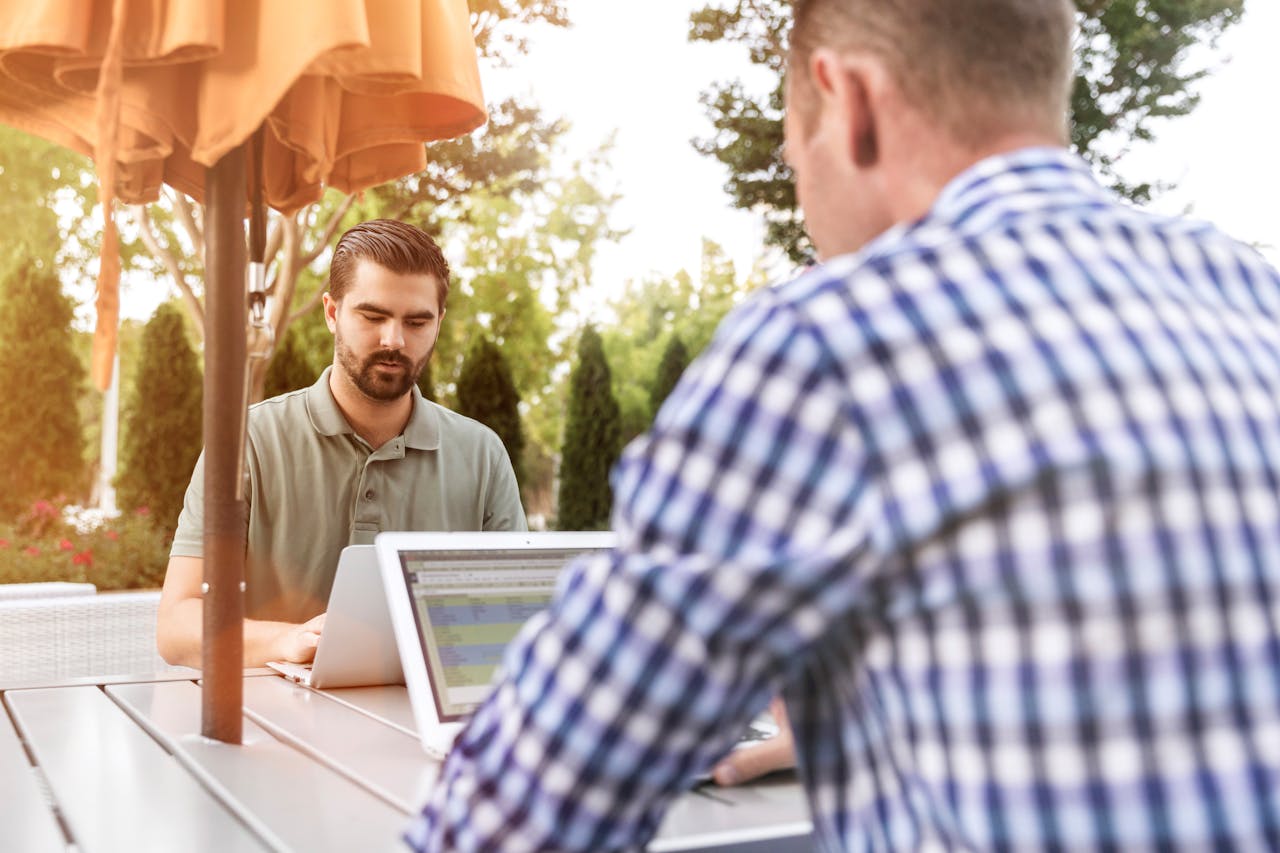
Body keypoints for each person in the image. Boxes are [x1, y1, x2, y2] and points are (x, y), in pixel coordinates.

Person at [407, 0, 1280, 850]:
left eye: (795, 147)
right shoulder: (1250, 295)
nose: (799, 179)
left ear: (850, 100)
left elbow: (525, 810)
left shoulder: (827, 343)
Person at [157, 219, 526, 669]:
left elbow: (516, 618)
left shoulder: (483, 454)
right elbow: (175, 627)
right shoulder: (246, 443)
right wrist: (288, 642)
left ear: (439, 323)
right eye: (373, 317)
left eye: (417, 321)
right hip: (277, 723)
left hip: (424, 721)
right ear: (332, 313)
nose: (394, 339)